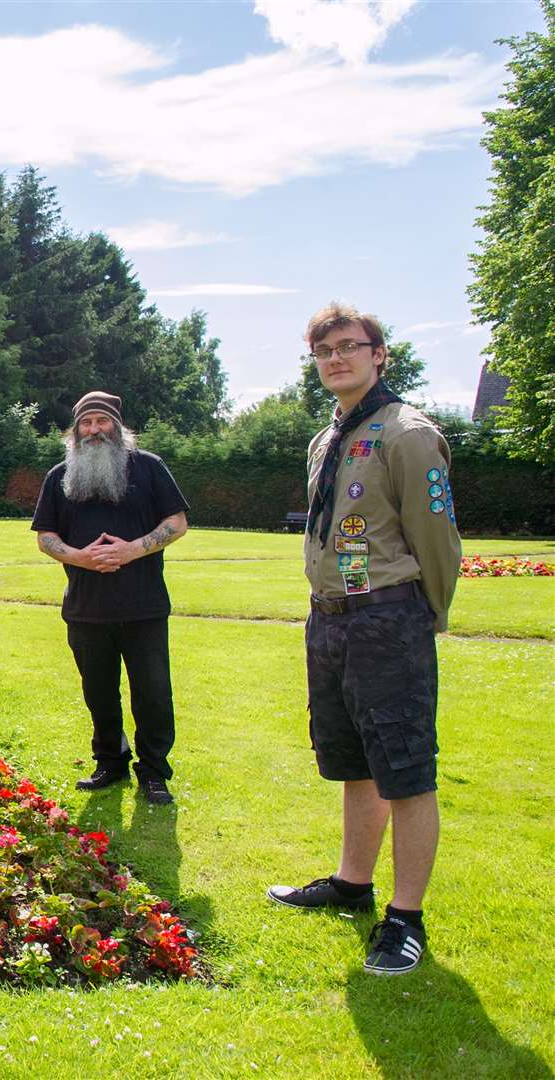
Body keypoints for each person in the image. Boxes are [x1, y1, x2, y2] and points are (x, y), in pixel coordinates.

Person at [266, 303, 461, 977]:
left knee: (404, 769)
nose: (336, 359)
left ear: (381, 355)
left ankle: (405, 918)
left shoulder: (407, 434)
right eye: (324, 351)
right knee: (352, 760)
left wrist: (420, 617)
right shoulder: (328, 440)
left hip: (388, 619)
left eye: (350, 347)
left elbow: (437, 541)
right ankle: (353, 883)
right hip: (331, 618)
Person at [31, 391, 190, 806]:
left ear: (118, 427)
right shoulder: (59, 476)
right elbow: (46, 537)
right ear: (75, 431)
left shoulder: (149, 468)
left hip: (144, 607)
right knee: (98, 693)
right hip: (86, 609)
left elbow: (177, 521)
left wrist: (132, 549)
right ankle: (110, 762)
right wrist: (80, 558)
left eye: (101, 422)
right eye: (86, 423)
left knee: (153, 693)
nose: (93, 430)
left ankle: (154, 772)